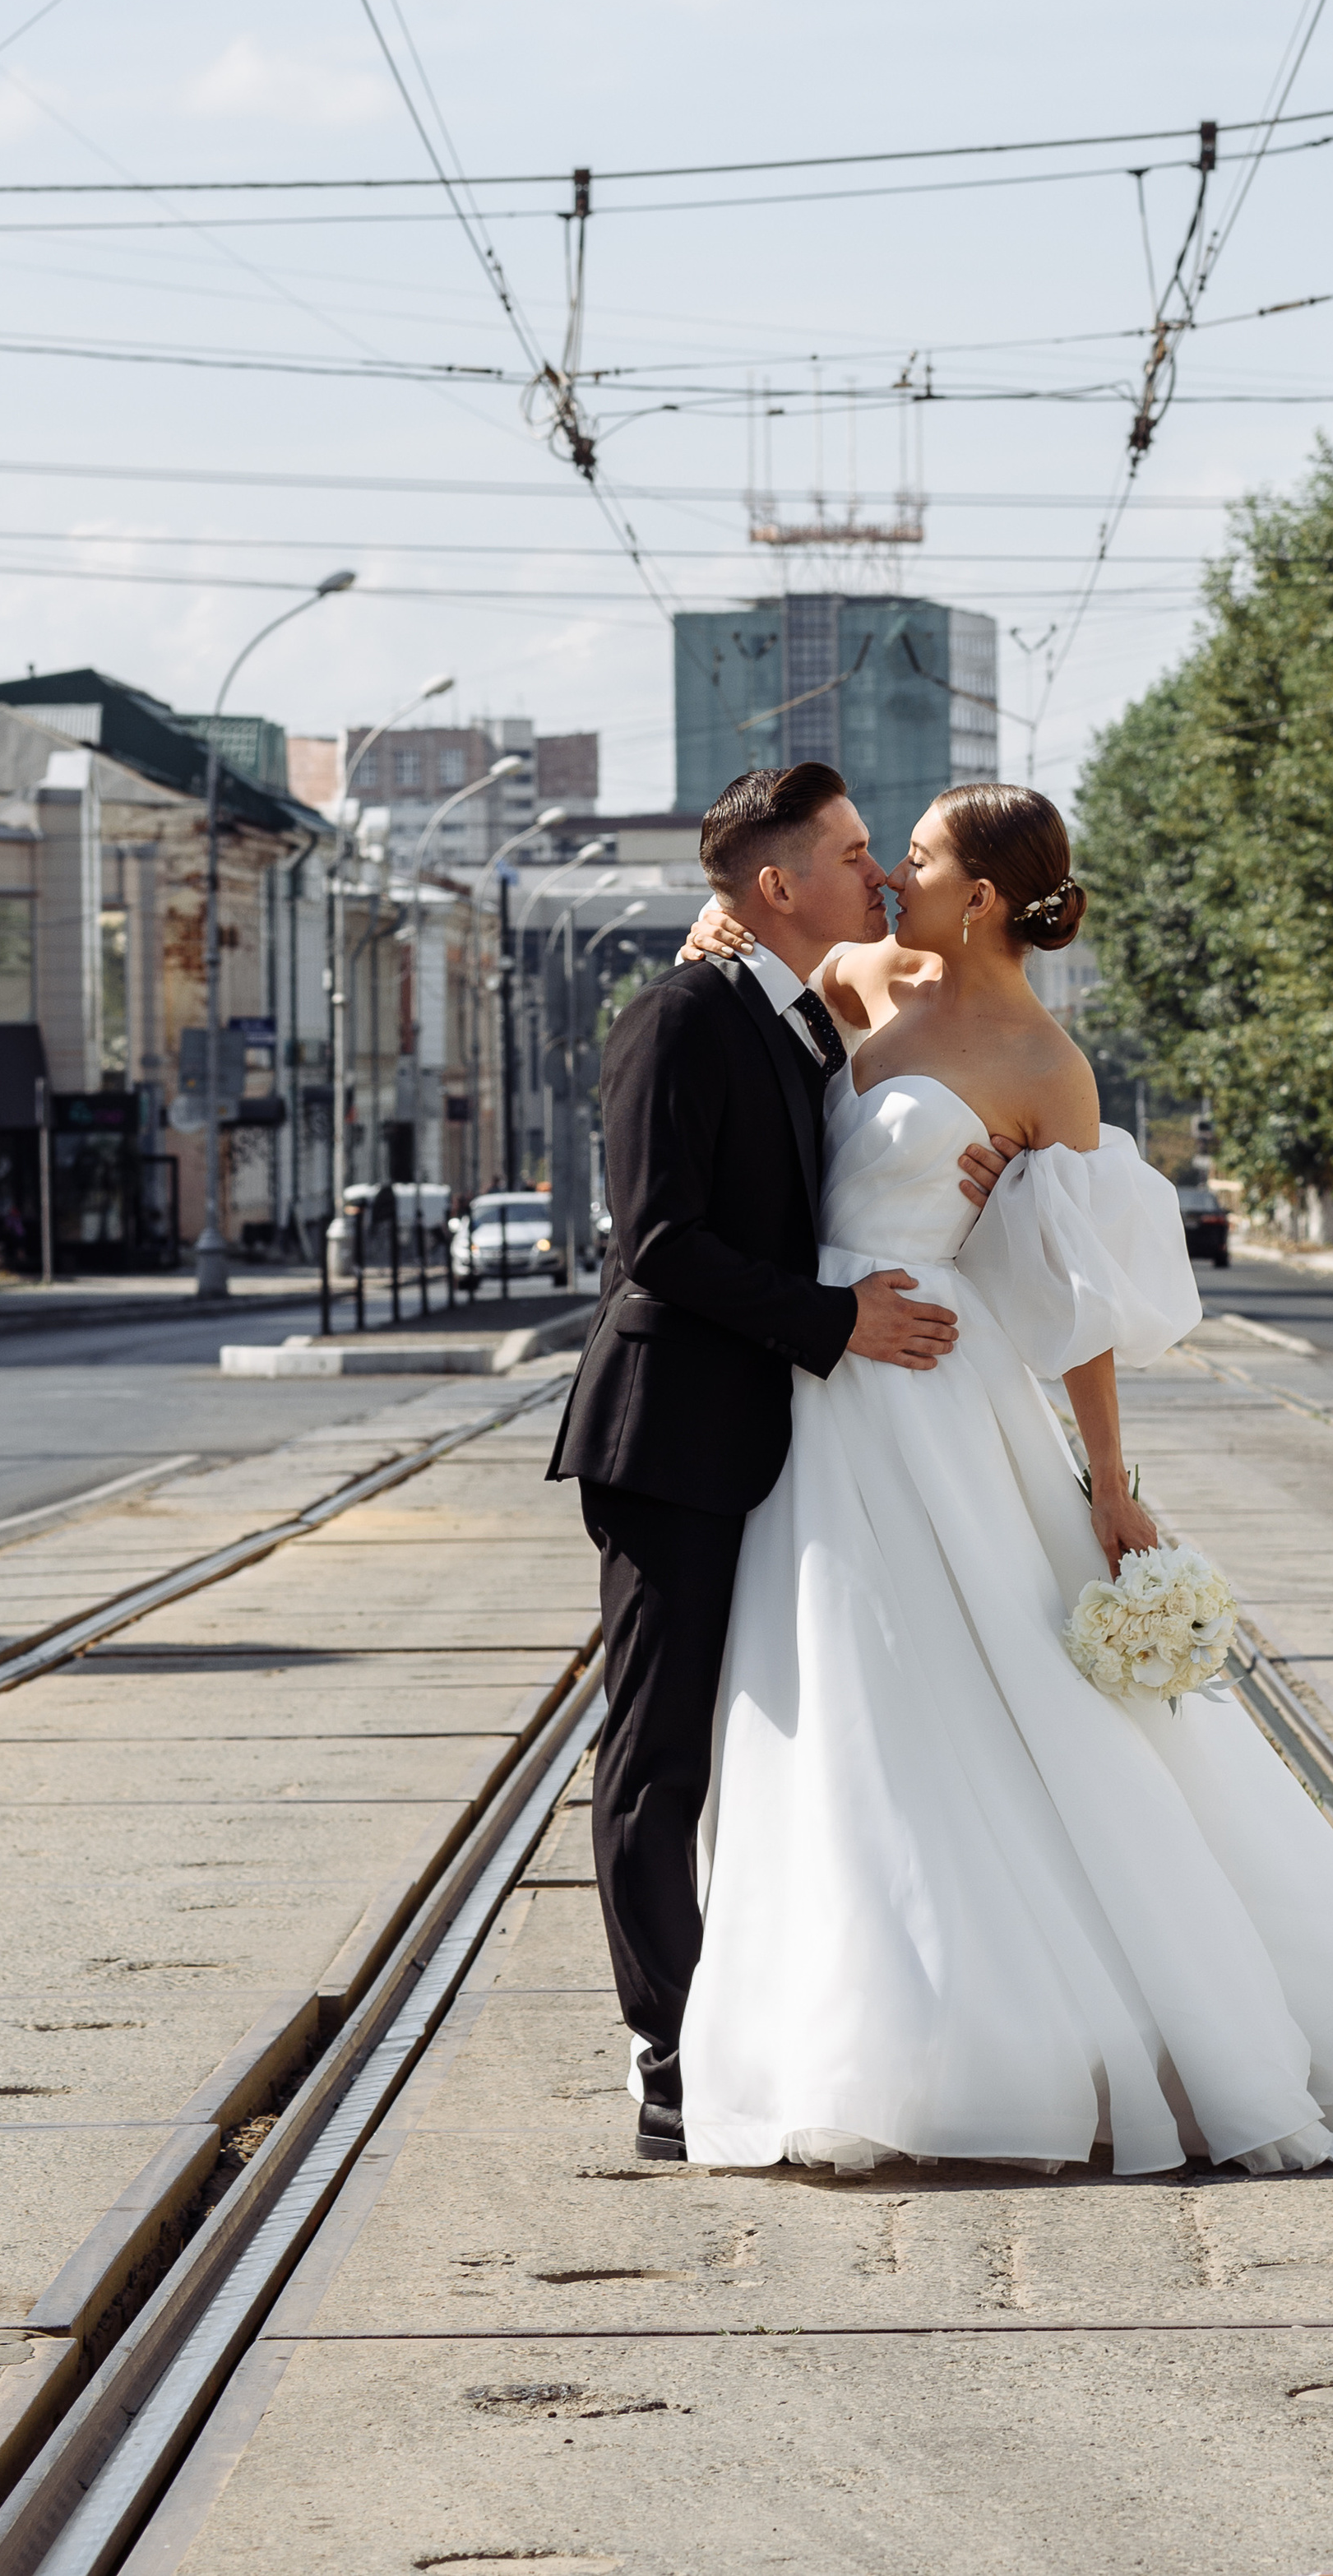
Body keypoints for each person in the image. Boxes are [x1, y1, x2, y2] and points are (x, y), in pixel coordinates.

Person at [664, 778, 1333, 2175]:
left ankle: (1018, 2042)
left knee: (971, 1701)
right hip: (813, 1382)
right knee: (833, 1705)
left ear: (981, 895)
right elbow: (751, 953)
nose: (890, 875)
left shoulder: (1046, 1066)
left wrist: (1106, 1483)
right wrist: (706, 934)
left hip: (932, 1394)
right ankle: (856, 2024)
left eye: (913, 858)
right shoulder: (862, 977)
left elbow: (1079, 1303)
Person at [546, 764, 987, 2161]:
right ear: (781, 885)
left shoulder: (791, 1018)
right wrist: (837, 1321)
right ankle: (666, 2045)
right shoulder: (683, 1016)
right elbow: (659, 1243)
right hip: (671, 1438)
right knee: (658, 1754)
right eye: (855, 854)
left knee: (762, 1750)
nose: (876, 876)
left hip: (768, 1444)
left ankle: (755, 2019)